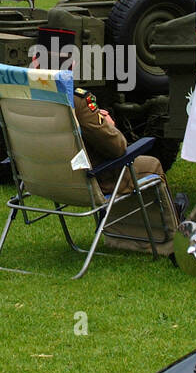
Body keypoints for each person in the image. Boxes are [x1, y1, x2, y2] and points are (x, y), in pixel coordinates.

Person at [74, 87, 177, 255]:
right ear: (74, 65)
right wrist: (107, 125)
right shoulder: (78, 102)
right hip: (91, 181)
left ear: (34, 60)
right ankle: (168, 241)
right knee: (151, 164)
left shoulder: (23, 99)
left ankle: (119, 234)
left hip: (43, 181)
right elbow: (118, 148)